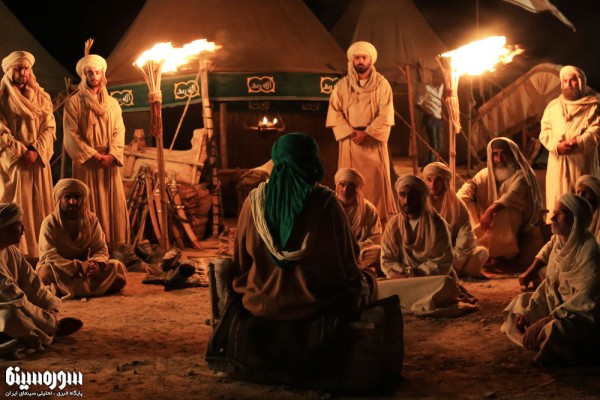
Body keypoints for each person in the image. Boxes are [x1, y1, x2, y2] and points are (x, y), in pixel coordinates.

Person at [231, 133, 361, 319]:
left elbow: (240, 263)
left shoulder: (252, 204)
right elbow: (349, 260)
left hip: (261, 303)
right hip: (315, 305)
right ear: (312, 161)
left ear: (276, 160)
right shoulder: (327, 203)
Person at [501, 193, 600, 366]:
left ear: (575, 221)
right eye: (554, 212)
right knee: (519, 305)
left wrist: (547, 320)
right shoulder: (558, 242)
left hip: (579, 316)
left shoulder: (589, 250)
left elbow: (586, 301)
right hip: (557, 307)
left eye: (560, 214)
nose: (552, 218)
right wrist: (529, 312)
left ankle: (549, 343)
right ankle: (543, 341)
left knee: (555, 329)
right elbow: (550, 284)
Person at [378, 174, 477, 316]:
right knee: (378, 288)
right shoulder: (393, 225)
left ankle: (407, 301)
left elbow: (443, 262)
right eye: (402, 195)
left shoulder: (437, 224)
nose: (406, 200)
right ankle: (418, 301)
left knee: (447, 283)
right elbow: (386, 260)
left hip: (430, 280)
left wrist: (414, 273)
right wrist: (404, 273)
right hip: (403, 279)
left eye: (411, 196)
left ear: (421, 198)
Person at [63, 53, 129, 252]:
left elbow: (119, 131)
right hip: (87, 161)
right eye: (89, 73)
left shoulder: (113, 104)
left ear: (103, 74)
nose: (94, 76)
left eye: (97, 72)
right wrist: (93, 154)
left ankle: (115, 246)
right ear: (84, 75)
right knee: (88, 203)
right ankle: (92, 246)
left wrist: (112, 155)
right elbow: (71, 134)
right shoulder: (74, 103)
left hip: (108, 162)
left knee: (112, 204)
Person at [326, 41, 397, 225]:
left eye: (364, 57)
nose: (360, 61)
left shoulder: (382, 85)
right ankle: (350, 220)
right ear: (352, 60)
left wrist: (367, 133)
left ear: (370, 60)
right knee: (349, 180)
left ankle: (376, 221)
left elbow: (386, 113)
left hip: (373, 140)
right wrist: (351, 133)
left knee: (375, 183)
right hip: (350, 141)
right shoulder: (342, 86)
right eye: (357, 58)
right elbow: (335, 112)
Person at [0, 203, 82, 358]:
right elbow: (14, 298)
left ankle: (23, 337)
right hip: (7, 307)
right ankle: (47, 331)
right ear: (3, 228)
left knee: (22, 312)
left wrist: (50, 307)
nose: (23, 229)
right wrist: (47, 319)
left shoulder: (11, 251)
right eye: (19, 224)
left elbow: (32, 282)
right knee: (11, 317)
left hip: (11, 304)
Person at [0, 51, 56, 261]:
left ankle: (41, 251)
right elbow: (1, 131)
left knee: (39, 205)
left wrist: (36, 150)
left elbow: (49, 127)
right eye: (18, 68)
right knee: (16, 206)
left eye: (26, 68)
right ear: (9, 70)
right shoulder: (1, 97)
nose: (23, 72)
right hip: (14, 163)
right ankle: (15, 254)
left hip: (37, 161)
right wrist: (22, 152)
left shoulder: (42, 97)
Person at [457, 137, 544, 270]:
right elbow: (467, 190)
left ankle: (502, 254)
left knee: (504, 210)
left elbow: (511, 196)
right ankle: (482, 247)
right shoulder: (484, 174)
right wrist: (458, 202)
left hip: (517, 220)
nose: (499, 159)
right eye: (495, 154)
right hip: (486, 220)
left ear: (512, 155)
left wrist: (490, 210)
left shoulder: (522, 175)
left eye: (504, 154)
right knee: (466, 204)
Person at [36, 179, 127, 299]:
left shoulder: (92, 220)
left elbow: (100, 248)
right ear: (59, 199)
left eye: (77, 197)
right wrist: (77, 266)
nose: (73, 201)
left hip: (86, 270)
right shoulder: (49, 222)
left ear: (82, 199)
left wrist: (96, 264)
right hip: (61, 268)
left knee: (117, 266)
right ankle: (94, 288)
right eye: (67, 197)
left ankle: (66, 289)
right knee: (45, 272)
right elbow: (49, 256)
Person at [539, 65, 600, 223]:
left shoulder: (593, 106)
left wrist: (577, 142)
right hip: (558, 163)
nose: (569, 85)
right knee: (560, 202)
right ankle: (559, 234)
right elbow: (545, 132)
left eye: (573, 80)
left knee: (582, 202)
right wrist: (556, 147)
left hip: (581, 163)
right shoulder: (553, 107)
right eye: (565, 81)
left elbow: (596, 131)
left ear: (580, 82)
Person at [423, 162, 488, 278]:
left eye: (438, 180)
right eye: (429, 179)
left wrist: (452, 263)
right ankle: (449, 273)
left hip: (452, 256)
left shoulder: (457, 206)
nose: (433, 184)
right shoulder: (420, 204)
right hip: (427, 256)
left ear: (445, 181)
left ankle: (449, 271)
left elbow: (466, 238)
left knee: (481, 252)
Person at [334, 167, 382, 272]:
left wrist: (355, 247)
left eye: (351, 186)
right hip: (337, 251)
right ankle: (361, 270)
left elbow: (375, 238)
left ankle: (355, 268)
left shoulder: (368, 209)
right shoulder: (330, 207)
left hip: (360, 251)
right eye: (342, 185)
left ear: (357, 189)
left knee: (378, 251)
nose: (345, 190)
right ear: (337, 186)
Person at [415, 68, 445, 165]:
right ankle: (429, 165)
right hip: (430, 120)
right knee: (434, 146)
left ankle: (426, 164)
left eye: (443, 79)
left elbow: (439, 102)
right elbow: (417, 104)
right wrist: (428, 114)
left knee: (439, 146)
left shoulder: (441, 87)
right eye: (441, 79)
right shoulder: (426, 88)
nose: (442, 82)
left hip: (438, 119)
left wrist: (442, 114)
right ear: (434, 77)